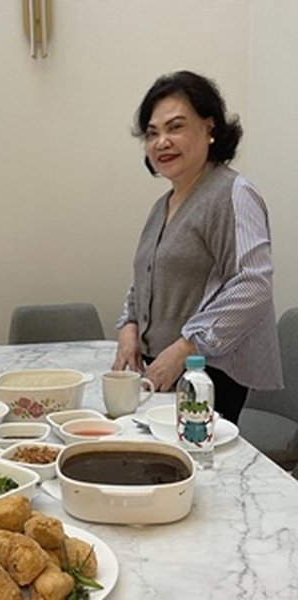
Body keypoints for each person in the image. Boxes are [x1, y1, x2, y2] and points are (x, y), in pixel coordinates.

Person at [112, 71, 281, 423]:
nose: (162, 142)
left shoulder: (233, 193)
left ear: (209, 128)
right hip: (164, 368)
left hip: (206, 374)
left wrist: (186, 347)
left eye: (175, 127)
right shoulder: (164, 205)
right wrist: (128, 327)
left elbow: (254, 284)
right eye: (152, 133)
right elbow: (146, 279)